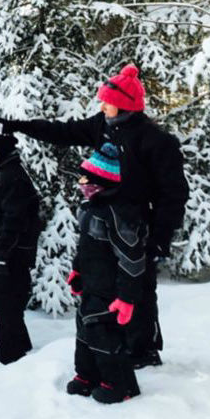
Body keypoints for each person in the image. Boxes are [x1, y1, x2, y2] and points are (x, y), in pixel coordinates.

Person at [0, 64, 188, 368]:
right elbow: (64, 131)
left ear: (124, 103)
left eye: (107, 101)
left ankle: (143, 352)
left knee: (138, 291)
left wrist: (160, 240)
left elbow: (174, 195)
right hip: (104, 221)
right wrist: (21, 126)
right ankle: (115, 346)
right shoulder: (103, 124)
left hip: (138, 227)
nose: (101, 105)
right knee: (109, 288)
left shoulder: (155, 141)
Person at [65, 143, 145, 403]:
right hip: (91, 283)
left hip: (111, 289)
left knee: (104, 335)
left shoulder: (117, 213)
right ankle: (86, 375)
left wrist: (127, 297)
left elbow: (132, 257)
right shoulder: (90, 210)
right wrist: (77, 271)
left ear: (101, 182)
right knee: (84, 330)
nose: (81, 184)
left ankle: (118, 384)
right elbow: (86, 246)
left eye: (86, 179)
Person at [0, 133, 40, 364]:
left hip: (10, 254)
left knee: (5, 302)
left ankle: (9, 355)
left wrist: (3, 253)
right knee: (6, 302)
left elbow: (14, 219)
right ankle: (20, 344)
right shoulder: (6, 173)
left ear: (1, 150)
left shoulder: (11, 176)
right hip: (4, 251)